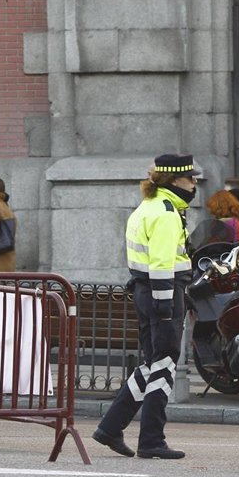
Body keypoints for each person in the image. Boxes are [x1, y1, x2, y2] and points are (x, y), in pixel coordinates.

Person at [92, 154, 200, 460]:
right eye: (190, 178)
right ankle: (151, 439)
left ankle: (111, 427)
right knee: (163, 365)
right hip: (162, 292)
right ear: (174, 180)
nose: (194, 184)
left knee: (153, 363)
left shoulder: (147, 207)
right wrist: (165, 305)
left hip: (145, 291)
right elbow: (162, 263)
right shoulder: (165, 213)